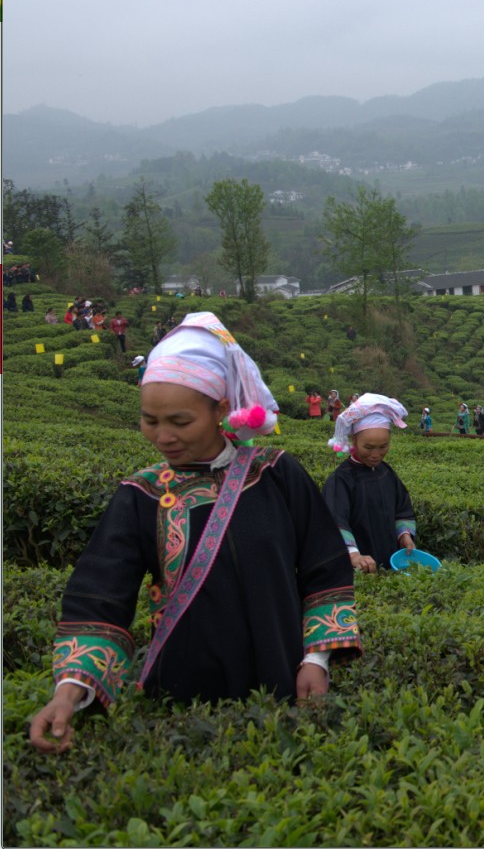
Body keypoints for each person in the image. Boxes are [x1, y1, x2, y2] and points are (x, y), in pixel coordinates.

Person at [28, 312, 360, 754]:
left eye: (180, 422)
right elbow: (101, 596)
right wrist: (68, 693)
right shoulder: (140, 494)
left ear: (221, 408)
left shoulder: (277, 475)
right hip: (182, 699)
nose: (163, 436)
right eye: (150, 420)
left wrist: (315, 659)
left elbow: (324, 566)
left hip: (283, 682)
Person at [322, 394, 417, 574]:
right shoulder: (341, 480)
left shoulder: (387, 473)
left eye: (383, 447)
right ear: (354, 441)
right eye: (369, 447)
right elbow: (334, 521)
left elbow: (402, 508)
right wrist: (354, 555)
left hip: (389, 563)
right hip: (358, 569)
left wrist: (404, 535)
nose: (376, 454)